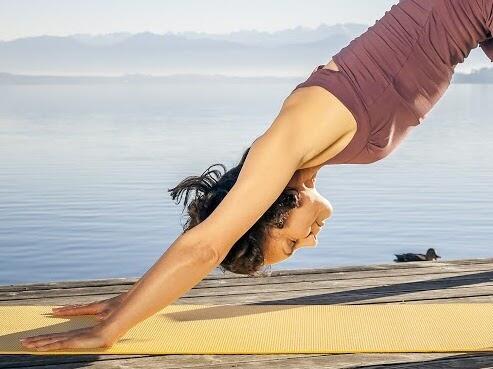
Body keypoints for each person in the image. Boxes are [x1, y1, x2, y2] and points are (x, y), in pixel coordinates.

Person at [20, 0, 493, 351]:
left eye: (290, 243)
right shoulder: (313, 151)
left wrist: (110, 331)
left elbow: (206, 244)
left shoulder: (289, 137)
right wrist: (127, 302)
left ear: (273, 207)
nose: (310, 243)